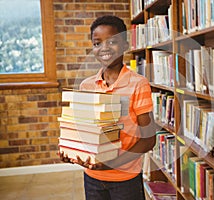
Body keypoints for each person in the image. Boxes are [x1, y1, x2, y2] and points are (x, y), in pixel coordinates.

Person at [59, 15, 156, 200]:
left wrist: (112, 163)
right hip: (92, 177)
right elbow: (84, 131)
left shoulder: (138, 84)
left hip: (125, 179)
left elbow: (148, 140)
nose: (104, 48)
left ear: (125, 46)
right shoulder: (87, 86)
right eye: (97, 43)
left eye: (112, 41)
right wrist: (72, 152)